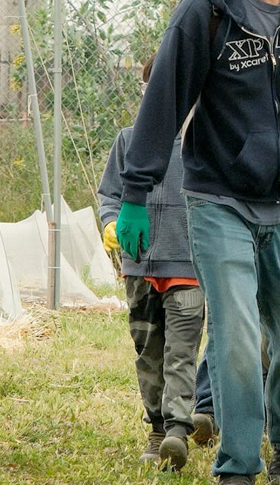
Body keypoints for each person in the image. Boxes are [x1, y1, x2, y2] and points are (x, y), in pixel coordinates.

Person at [115, 0, 280, 485]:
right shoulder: (204, 11)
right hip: (220, 199)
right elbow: (162, 104)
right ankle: (238, 466)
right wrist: (135, 192)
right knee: (237, 337)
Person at [98, 56, 204, 471]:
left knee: (181, 351)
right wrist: (110, 221)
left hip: (187, 267)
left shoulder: (202, 146)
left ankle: (177, 431)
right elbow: (110, 194)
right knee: (148, 351)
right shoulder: (128, 142)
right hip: (139, 268)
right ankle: (157, 426)